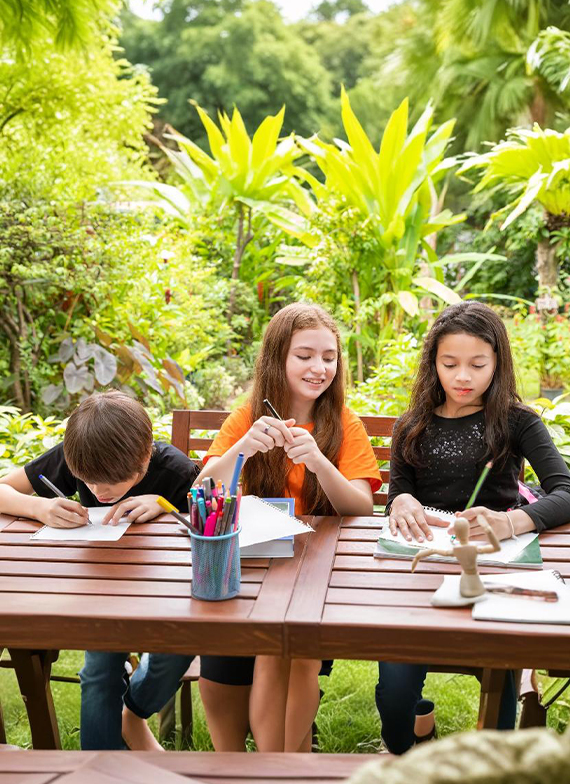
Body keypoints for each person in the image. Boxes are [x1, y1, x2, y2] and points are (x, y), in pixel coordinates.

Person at [123, 302, 381, 752]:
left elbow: (362, 508)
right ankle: (246, 766)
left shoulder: (344, 424)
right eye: (304, 355)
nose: (319, 367)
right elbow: (201, 491)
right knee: (222, 675)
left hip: (311, 579)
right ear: (277, 358)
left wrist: (319, 462)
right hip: (245, 571)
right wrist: (243, 447)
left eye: (329, 357)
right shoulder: (246, 418)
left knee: (285, 656)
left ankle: (277, 765)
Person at [379, 300, 570, 754]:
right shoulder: (412, 426)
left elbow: (565, 490)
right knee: (396, 695)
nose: (462, 376)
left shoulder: (517, 422)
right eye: (450, 364)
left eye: (477, 365)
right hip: (421, 572)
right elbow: (399, 497)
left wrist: (510, 521)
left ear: (497, 362)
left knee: (499, 690)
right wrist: (400, 500)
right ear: (433, 363)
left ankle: (490, 764)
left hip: (496, 571)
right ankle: (407, 747)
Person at [0, 390, 200, 750]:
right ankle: (99, 767)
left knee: (175, 653)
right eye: (88, 482)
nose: (97, 491)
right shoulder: (82, 452)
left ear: (144, 456)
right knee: (99, 673)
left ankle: (132, 714)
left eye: (109, 484)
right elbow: (4, 489)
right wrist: (39, 509)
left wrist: (163, 504)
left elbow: (211, 515)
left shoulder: (175, 469)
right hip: (101, 590)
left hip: (168, 593)